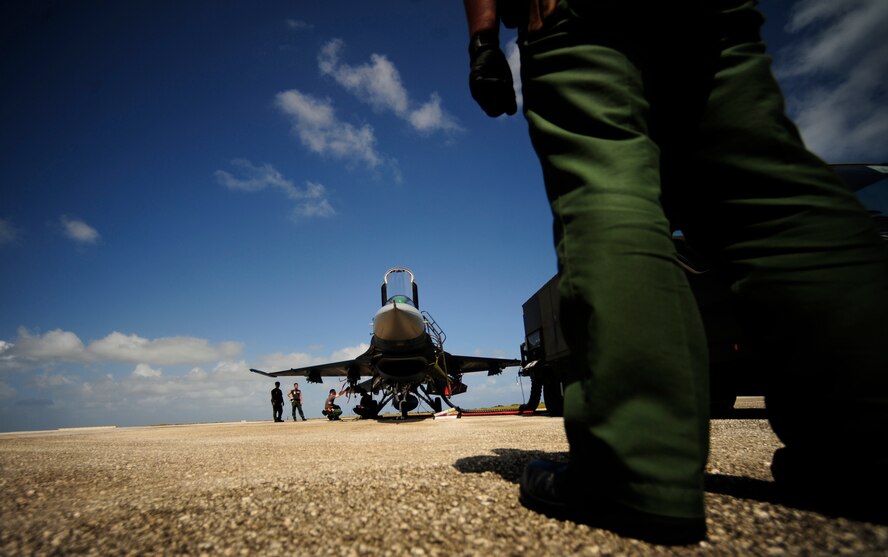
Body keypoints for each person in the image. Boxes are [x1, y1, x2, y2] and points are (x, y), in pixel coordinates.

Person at [463, 0, 888, 545]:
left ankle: (638, 465)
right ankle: (866, 442)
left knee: (607, 185)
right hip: (712, 13)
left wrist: (483, 45)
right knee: (769, 193)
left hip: (574, 15)